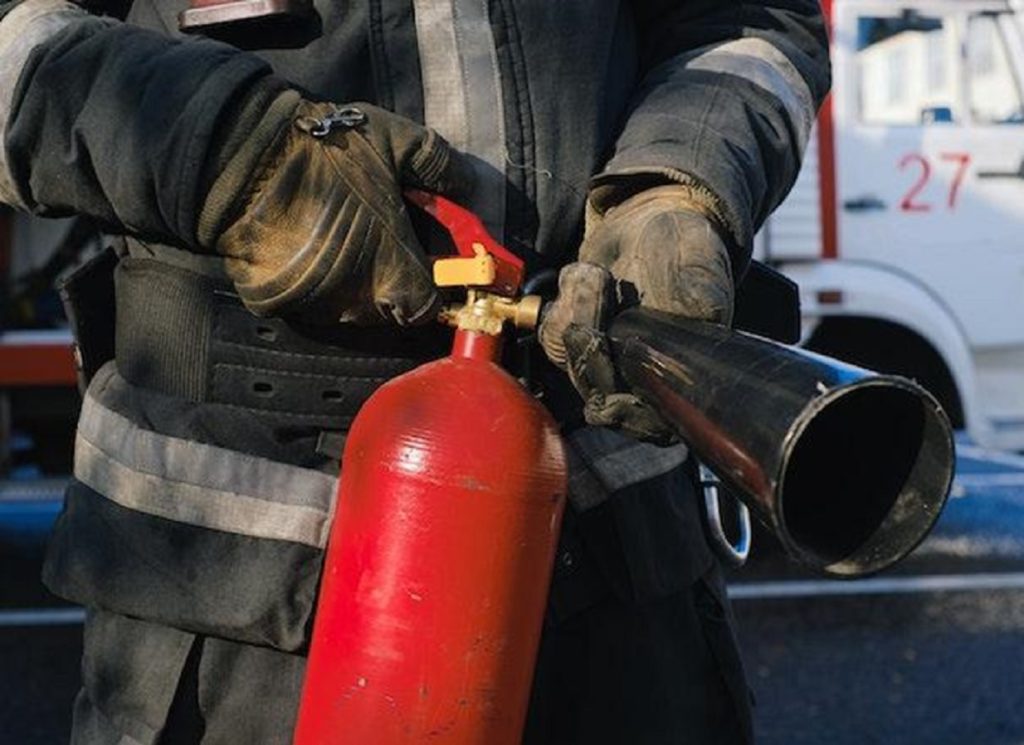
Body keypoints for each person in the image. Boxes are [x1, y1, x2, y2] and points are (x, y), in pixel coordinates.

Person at [0, 0, 829, 742]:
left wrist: (678, 186)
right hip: (238, 628)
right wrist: (229, 154)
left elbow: (746, 21)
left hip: (619, 595)